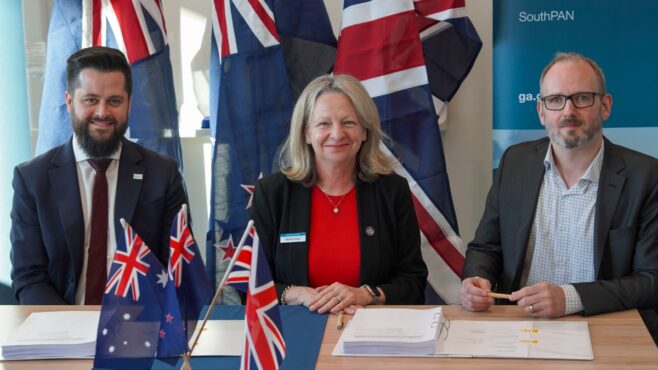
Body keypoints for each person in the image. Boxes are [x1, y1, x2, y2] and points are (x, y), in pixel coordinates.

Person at [460, 52, 658, 341]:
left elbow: (651, 279)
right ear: (541, 111)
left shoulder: (646, 176)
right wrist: (477, 279)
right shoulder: (514, 163)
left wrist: (571, 298)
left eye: (581, 98)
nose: (568, 111)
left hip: (605, 329)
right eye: (555, 100)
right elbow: (485, 248)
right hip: (518, 328)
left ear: (605, 106)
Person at [10, 46, 188, 305]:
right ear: (70, 102)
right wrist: (69, 329)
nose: (103, 112)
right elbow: (29, 276)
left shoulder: (163, 174)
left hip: (139, 324)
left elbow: (178, 265)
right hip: (59, 327)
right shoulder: (32, 179)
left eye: (114, 101)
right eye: (91, 100)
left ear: (129, 104)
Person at [250, 74, 427, 314]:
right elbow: (249, 283)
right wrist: (297, 294)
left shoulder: (392, 191)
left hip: (371, 331)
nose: (337, 133)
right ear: (305, 133)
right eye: (324, 124)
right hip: (294, 332)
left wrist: (366, 294)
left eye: (349, 122)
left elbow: (413, 282)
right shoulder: (272, 194)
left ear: (365, 131)